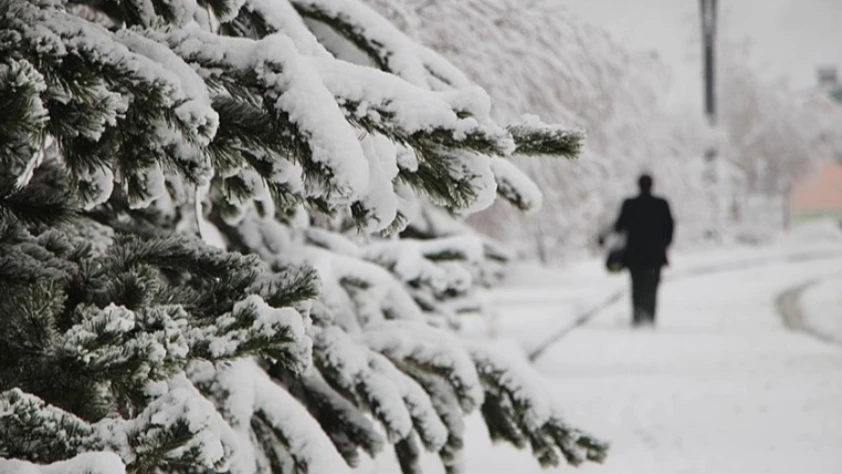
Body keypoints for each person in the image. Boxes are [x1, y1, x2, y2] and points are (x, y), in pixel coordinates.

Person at [611, 174, 674, 327]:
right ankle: (649, 318)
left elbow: (619, 226)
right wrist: (664, 244)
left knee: (636, 286)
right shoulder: (661, 204)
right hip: (655, 255)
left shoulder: (629, 204)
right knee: (652, 287)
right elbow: (670, 226)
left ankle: (638, 317)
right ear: (652, 185)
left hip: (634, 255)